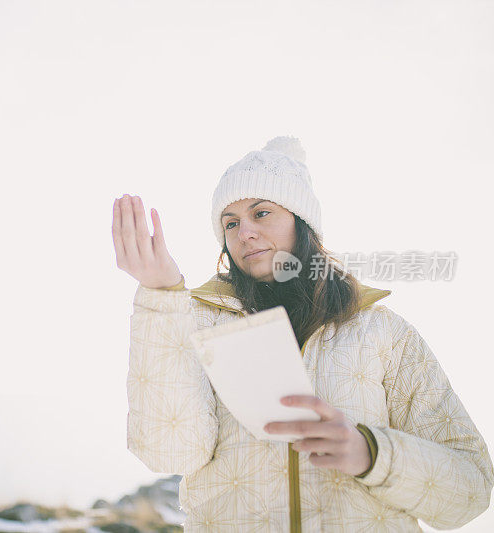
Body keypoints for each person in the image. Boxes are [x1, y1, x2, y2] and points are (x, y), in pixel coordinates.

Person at [112, 135, 494, 532]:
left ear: (303, 222)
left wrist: (372, 454)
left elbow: (471, 491)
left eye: (261, 213)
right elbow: (169, 450)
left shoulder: (383, 332)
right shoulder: (195, 323)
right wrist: (162, 298)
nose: (244, 233)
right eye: (231, 223)